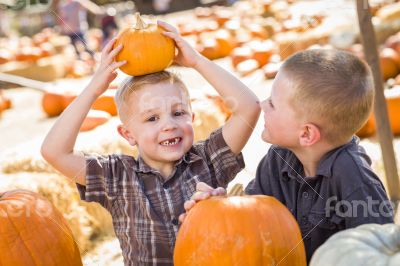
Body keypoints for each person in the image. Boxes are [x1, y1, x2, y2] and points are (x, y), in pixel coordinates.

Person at [40, 21, 260, 265]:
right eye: (152, 118)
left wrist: (197, 61)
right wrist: (93, 89)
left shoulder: (209, 159)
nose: (168, 125)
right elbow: (54, 151)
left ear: (193, 118)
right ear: (128, 134)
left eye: (178, 113)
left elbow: (249, 107)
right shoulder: (116, 177)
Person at [180, 49, 394, 263]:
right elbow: (250, 221)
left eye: (272, 103)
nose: (262, 104)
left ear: (306, 133)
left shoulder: (354, 178)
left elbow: (379, 250)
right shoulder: (278, 159)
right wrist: (218, 209)